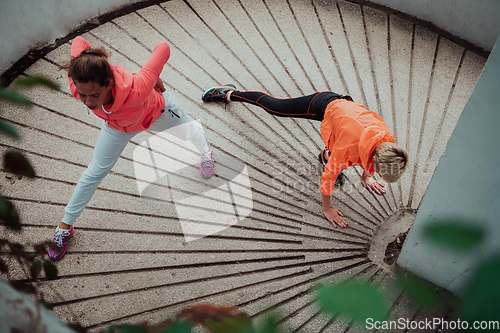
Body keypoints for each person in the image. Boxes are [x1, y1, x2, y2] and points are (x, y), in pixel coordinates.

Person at [47, 36, 216, 260]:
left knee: (190, 131)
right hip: (117, 127)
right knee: (93, 173)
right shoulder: (78, 81)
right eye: (83, 95)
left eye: (95, 95)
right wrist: (88, 60)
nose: (88, 102)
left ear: (109, 83)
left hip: (157, 113)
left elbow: (163, 47)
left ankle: (206, 152)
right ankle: (65, 227)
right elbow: (78, 40)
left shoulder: (138, 88)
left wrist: (153, 76)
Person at [201, 85, 408, 228]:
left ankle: (326, 154)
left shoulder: (387, 141)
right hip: (326, 104)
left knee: (339, 155)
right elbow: (327, 179)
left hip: (347, 123)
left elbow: (374, 154)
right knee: (275, 107)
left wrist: (366, 177)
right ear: (375, 162)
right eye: (377, 172)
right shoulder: (348, 148)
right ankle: (230, 93)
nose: (376, 173)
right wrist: (327, 209)